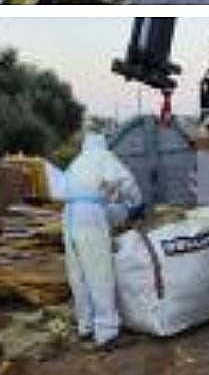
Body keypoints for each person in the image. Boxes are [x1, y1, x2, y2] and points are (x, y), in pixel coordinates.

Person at [47, 132, 143, 348]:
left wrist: (114, 202)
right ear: (103, 145)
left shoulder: (77, 162)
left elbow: (102, 193)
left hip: (69, 216)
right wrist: (137, 203)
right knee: (99, 272)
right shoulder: (102, 156)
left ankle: (86, 326)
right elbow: (126, 181)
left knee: (78, 274)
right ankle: (107, 333)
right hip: (88, 216)